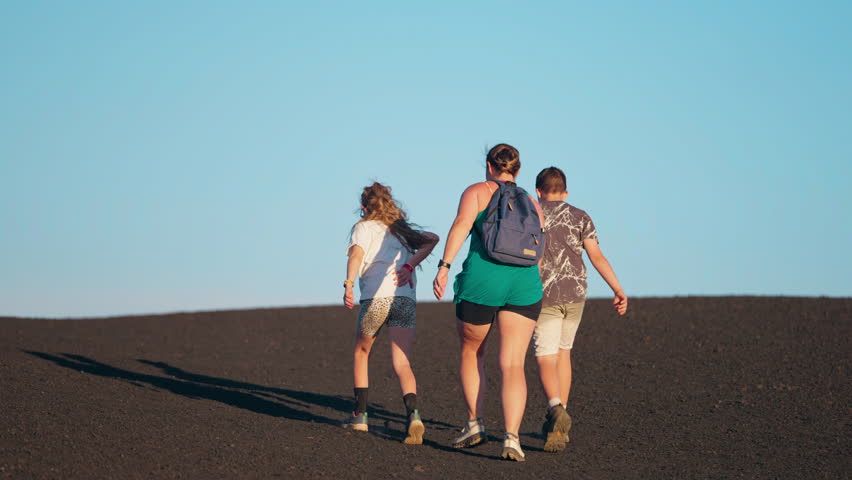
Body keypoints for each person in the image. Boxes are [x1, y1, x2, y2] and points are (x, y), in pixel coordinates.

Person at [433, 144, 544, 462]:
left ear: (488, 165)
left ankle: (474, 425)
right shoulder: (531, 202)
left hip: (483, 282)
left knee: (472, 351)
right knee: (513, 364)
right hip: (524, 286)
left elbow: (460, 226)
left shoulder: (476, 192)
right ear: (517, 170)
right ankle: (512, 438)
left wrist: (444, 267)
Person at [532, 166, 628, 453]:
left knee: (544, 357)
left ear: (538, 191)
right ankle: (560, 419)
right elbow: (596, 256)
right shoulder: (580, 215)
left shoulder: (532, 214)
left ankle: (555, 409)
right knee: (563, 353)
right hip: (576, 295)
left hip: (544, 294)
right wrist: (618, 289)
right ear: (566, 192)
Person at [343, 182, 439, 445]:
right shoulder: (401, 231)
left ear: (363, 208)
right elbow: (432, 239)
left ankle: (360, 416)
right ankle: (414, 415)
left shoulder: (362, 228)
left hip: (376, 299)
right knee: (402, 361)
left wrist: (349, 284)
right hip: (404, 300)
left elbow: (356, 255)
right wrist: (409, 264)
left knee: (362, 352)